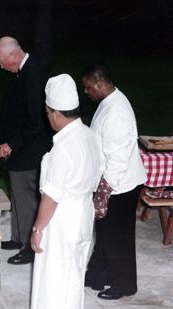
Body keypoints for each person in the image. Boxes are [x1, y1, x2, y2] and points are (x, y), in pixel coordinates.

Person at [30, 74, 102, 309]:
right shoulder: (90, 135)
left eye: (48, 112)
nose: (48, 117)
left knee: (54, 280)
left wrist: (37, 228)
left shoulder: (64, 147)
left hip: (62, 218)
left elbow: (51, 198)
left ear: (57, 114)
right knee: (74, 274)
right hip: (83, 213)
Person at [81, 63, 147, 300]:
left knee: (118, 237)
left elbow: (118, 160)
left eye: (88, 88)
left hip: (121, 183)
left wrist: (103, 194)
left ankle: (125, 284)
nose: (86, 92)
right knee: (106, 232)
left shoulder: (116, 112)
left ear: (99, 84)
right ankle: (99, 275)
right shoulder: (108, 102)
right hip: (112, 179)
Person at [0, 36, 51, 265]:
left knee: (26, 200)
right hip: (19, 151)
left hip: (30, 152)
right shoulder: (23, 71)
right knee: (17, 196)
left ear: (14, 55)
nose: (0, 66)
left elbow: (37, 122)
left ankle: (29, 247)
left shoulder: (34, 74)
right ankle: (18, 238)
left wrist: (12, 144)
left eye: (1, 61)